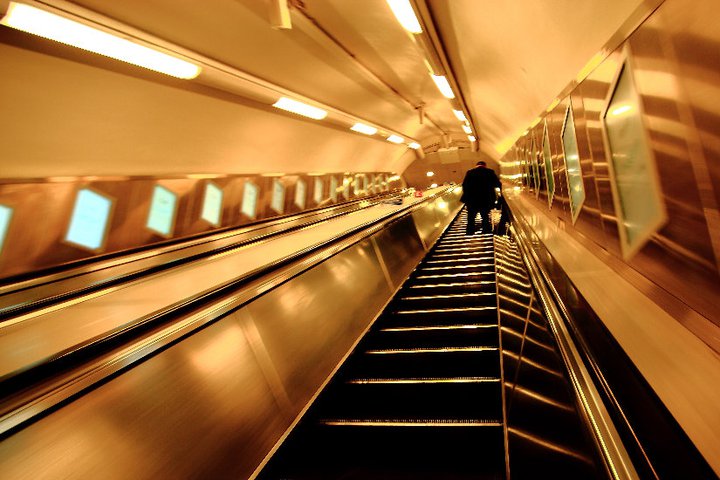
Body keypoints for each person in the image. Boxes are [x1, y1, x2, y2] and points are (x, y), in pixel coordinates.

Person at [460, 160, 502, 235]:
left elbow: (464, 185)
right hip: (485, 199)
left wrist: (467, 196)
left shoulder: (470, 172)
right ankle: (486, 230)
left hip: (472, 200)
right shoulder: (490, 172)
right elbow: (497, 184)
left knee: (471, 217)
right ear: (485, 165)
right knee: (485, 215)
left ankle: (470, 231)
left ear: (476, 165)